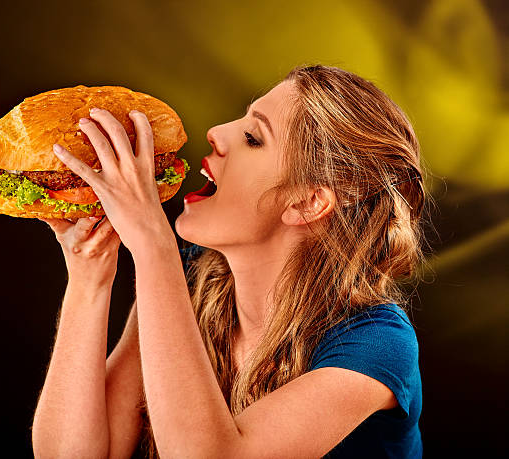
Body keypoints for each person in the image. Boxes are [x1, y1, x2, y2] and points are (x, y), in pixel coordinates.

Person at [31, 64, 429, 458]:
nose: (217, 132)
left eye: (253, 138)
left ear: (308, 202)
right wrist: (89, 274)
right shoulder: (192, 278)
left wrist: (154, 245)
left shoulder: (377, 343)